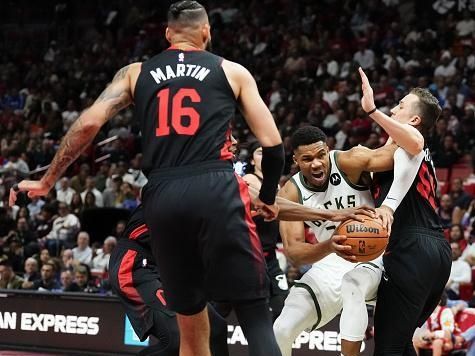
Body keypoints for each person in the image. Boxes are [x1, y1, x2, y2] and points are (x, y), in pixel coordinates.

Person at [9, 2, 286, 354]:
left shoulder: (135, 73)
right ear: (206, 32)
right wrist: (269, 197)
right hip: (215, 185)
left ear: (168, 34)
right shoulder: (231, 71)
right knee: (255, 317)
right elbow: (274, 147)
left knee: (191, 326)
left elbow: (90, 124)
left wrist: (47, 180)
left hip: (162, 194)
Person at [272, 126, 398, 356]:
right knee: (281, 330)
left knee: (353, 284)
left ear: (327, 150)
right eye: (307, 159)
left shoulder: (349, 161)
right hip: (331, 260)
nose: (317, 164)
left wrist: (401, 126)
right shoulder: (291, 193)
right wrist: (330, 246)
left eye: (321, 155)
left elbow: (397, 154)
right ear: (296, 160)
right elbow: (295, 254)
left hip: (375, 253)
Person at [358, 67, 452, 355]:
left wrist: (372, 110)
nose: (394, 107)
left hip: (413, 248)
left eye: (400, 105)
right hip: (436, 253)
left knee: (388, 348)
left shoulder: (410, 141)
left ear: (414, 119)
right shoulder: (394, 155)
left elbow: (413, 141)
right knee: (398, 344)